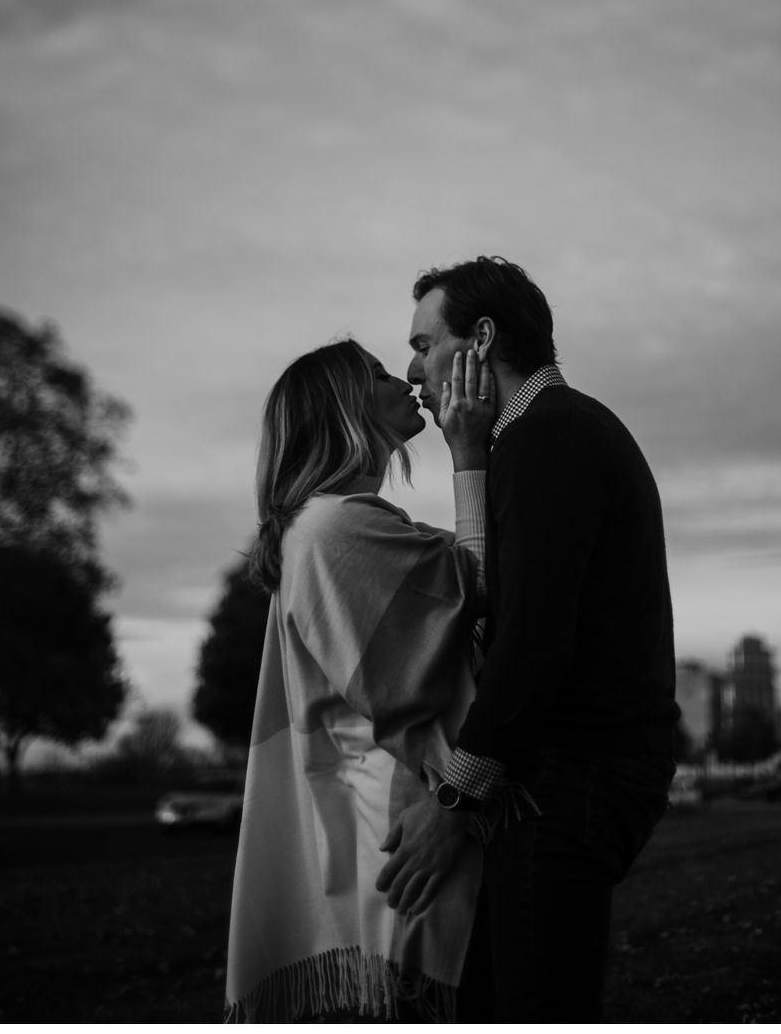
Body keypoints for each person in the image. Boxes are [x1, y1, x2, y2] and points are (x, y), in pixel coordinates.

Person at [376, 256, 679, 1021]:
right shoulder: (541, 436)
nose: (412, 368)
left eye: (422, 343)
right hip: (566, 776)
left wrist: (453, 800)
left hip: (571, 782)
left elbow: (531, 644)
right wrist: (467, 458)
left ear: (480, 339)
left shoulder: (551, 439)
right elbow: (489, 605)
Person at [224, 339, 497, 1021]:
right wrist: (469, 450)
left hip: (388, 827)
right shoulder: (337, 528)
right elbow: (486, 588)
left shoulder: (331, 525)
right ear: (345, 410)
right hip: (406, 830)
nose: (403, 378)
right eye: (376, 373)